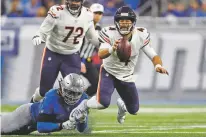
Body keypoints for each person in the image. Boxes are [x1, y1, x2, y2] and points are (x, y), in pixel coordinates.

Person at [69, 6, 169, 124]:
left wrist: (157, 66)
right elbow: (101, 54)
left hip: (126, 76)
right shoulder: (109, 32)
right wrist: (112, 49)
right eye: (122, 21)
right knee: (102, 103)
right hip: (109, 72)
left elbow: (153, 55)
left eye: (128, 21)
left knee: (134, 110)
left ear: (133, 22)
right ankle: (83, 105)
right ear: (116, 22)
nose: (125, 24)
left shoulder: (141, 34)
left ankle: (122, 106)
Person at [30, 0, 100, 103]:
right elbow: (44, 30)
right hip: (53, 52)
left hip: (71, 55)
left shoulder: (88, 14)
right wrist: (39, 36)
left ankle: (70, 116)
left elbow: (92, 36)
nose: (74, 3)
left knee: (73, 91)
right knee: (44, 91)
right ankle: (32, 103)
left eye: (77, 1)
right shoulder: (57, 11)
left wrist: (104, 46)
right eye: (72, 0)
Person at [1, 73, 88, 135]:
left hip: (33, 126)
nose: (72, 96)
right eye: (70, 92)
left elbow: (81, 129)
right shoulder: (52, 97)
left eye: (76, 93)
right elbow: (41, 126)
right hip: (26, 116)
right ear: (62, 88)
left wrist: (82, 120)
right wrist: (61, 125)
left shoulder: (83, 100)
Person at [80, 3, 104, 97]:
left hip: (88, 61)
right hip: (75, 59)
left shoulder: (99, 29)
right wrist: (79, 61)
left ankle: (80, 100)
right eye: (95, 13)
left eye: (100, 13)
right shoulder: (82, 26)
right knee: (70, 84)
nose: (97, 15)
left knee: (97, 84)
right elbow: (74, 45)